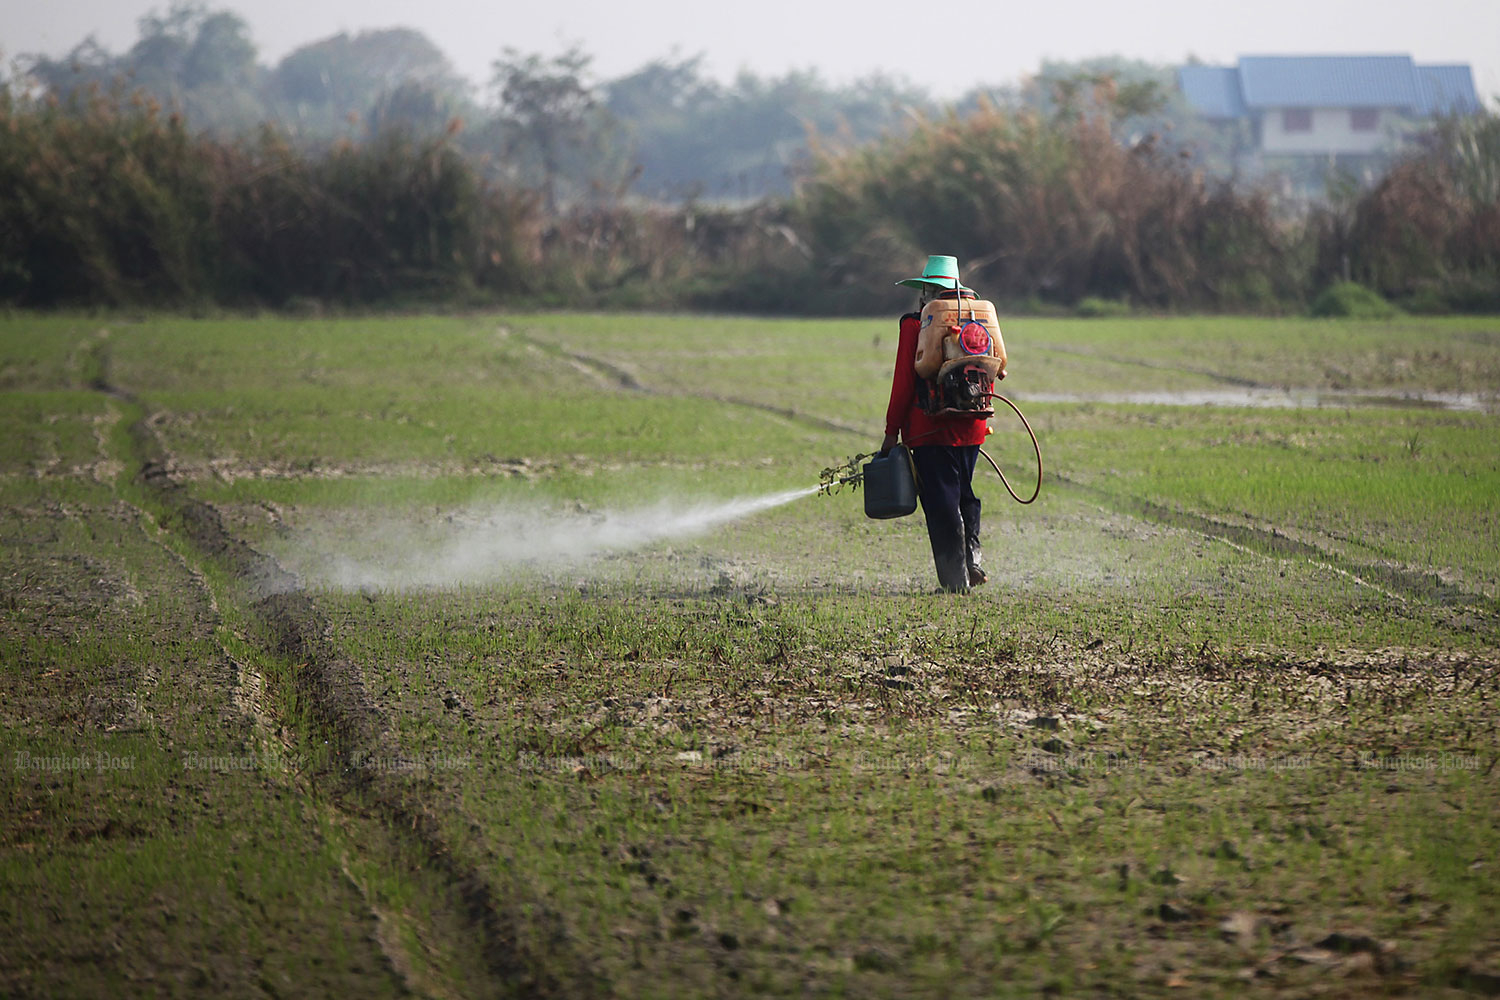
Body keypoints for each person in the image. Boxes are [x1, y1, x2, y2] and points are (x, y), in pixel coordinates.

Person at [880, 255, 992, 593]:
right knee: (965, 494)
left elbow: (903, 384)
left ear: (927, 290)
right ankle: (973, 557)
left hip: (929, 429)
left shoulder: (915, 325)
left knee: (942, 502)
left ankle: (955, 582)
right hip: (971, 425)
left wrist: (890, 432)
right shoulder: (978, 321)